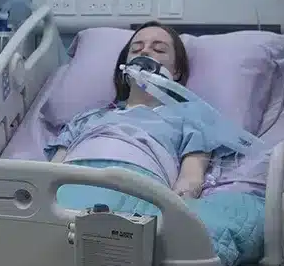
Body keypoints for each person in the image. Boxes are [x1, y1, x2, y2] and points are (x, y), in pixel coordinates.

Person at [47, 23, 225, 197]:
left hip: (140, 199)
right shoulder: (86, 119)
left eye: (159, 49)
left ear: (176, 71)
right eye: (136, 49)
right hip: (69, 193)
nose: (145, 52)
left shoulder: (191, 121)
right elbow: (49, 175)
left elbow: (189, 181)